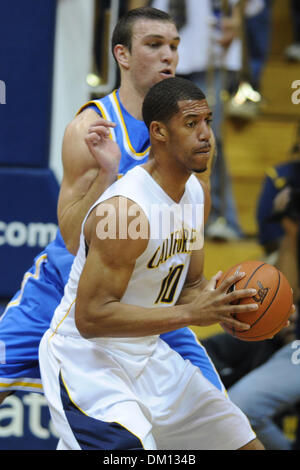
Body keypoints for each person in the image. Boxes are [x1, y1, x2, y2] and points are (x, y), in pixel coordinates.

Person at [0, 7, 221, 405]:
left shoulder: (196, 133)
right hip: (63, 291)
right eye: (154, 45)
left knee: (218, 414)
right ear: (122, 55)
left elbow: (188, 239)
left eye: (174, 45)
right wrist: (107, 175)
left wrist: (214, 296)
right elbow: (71, 238)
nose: (168, 55)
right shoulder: (91, 125)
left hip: (149, 301)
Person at [39, 76, 264, 450]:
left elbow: (190, 286)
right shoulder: (126, 214)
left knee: (243, 443)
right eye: (191, 124)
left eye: (208, 121)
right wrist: (192, 316)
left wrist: (237, 306)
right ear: (158, 131)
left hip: (147, 353)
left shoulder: (195, 193)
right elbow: (91, 317)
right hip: (87, 360)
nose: (206, 134)